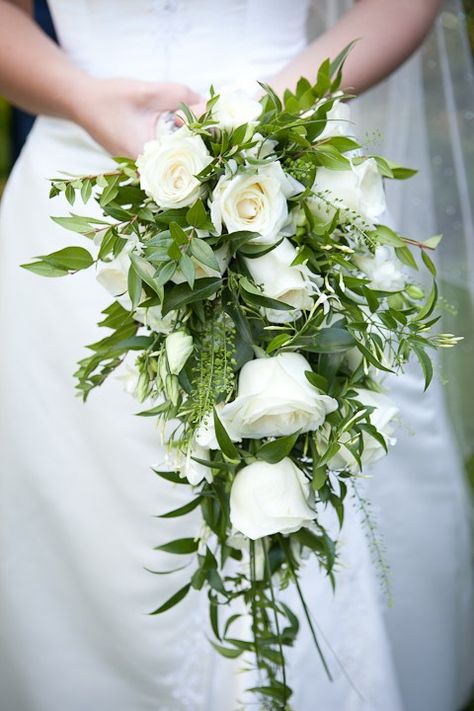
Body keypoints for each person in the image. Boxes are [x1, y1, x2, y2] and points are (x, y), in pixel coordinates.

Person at [0, 1, 472, 710]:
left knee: (312, 466)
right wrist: (82, 97)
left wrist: (272, 110)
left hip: (289, 156)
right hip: (82, 161)